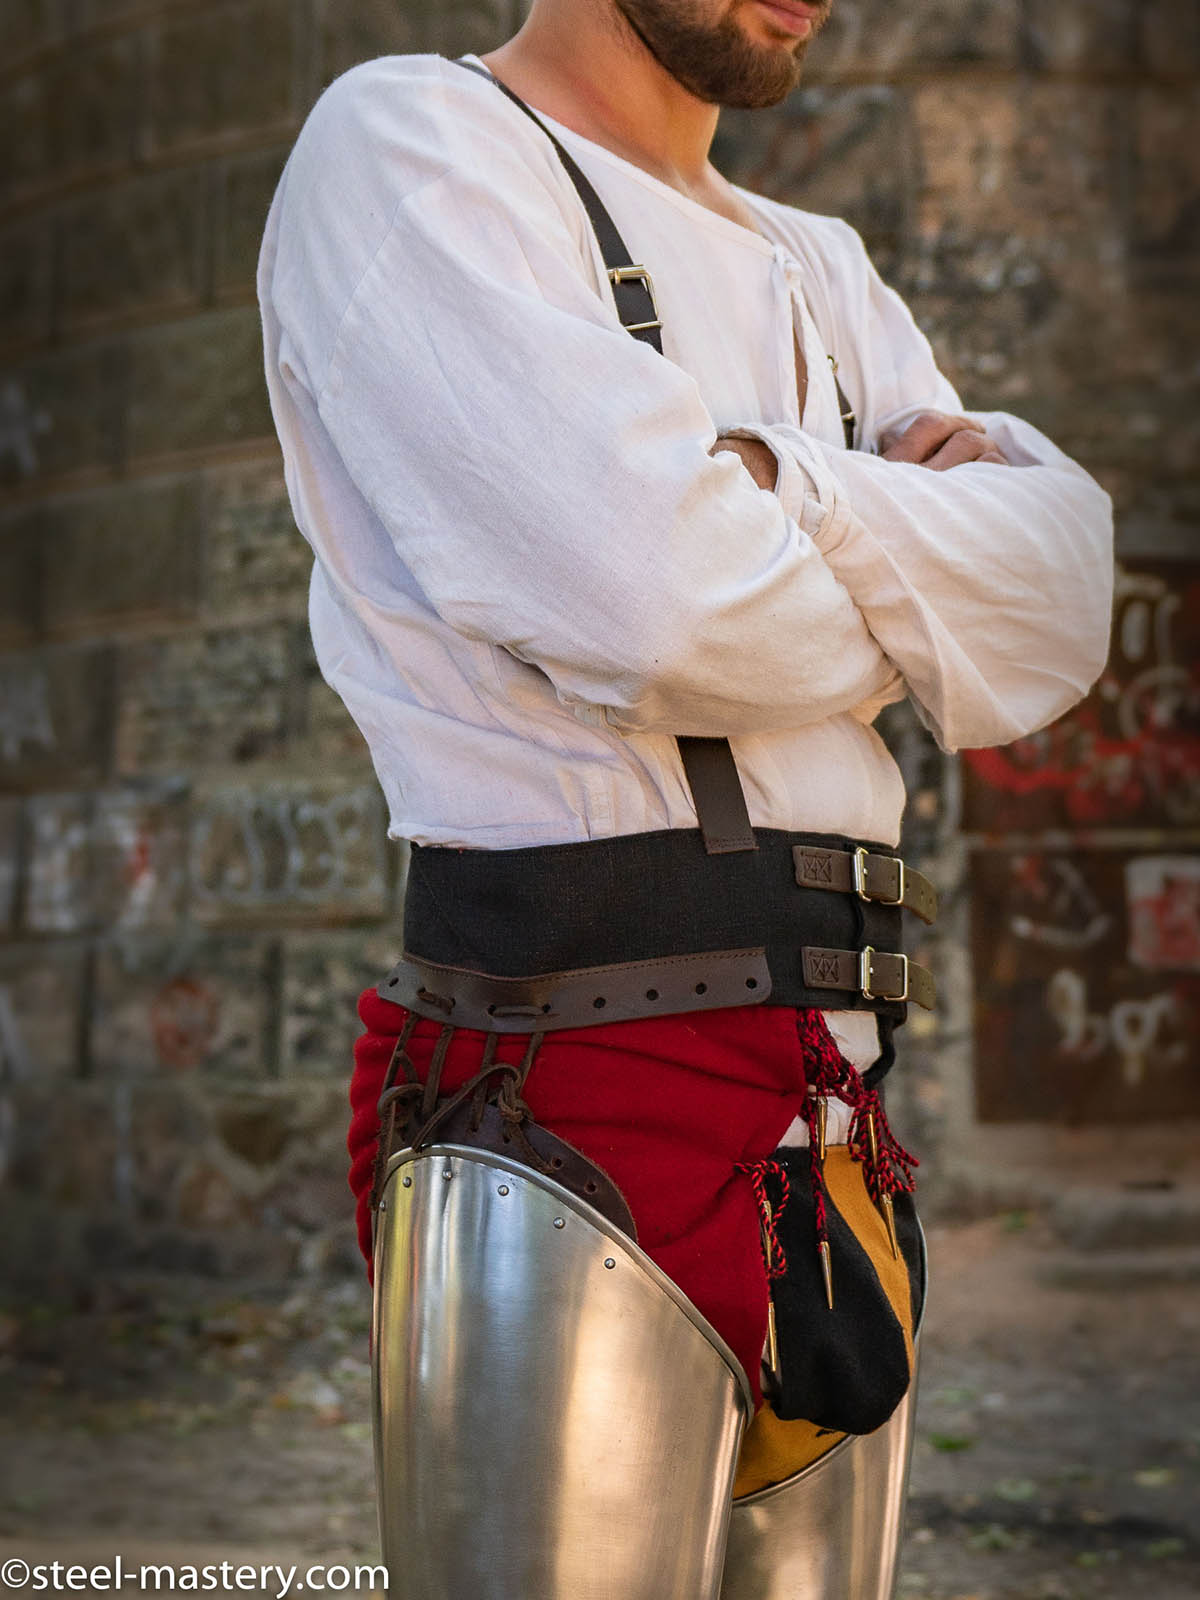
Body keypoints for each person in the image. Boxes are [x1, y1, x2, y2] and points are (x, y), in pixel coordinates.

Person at [256, 0, 1113, 1592]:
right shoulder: (417, 146)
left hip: (844, 1126)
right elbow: (661, 604)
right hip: (565, 1097)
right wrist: (896, 550)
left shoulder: (819, 264)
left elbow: (1056, 602)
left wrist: (767, 481)